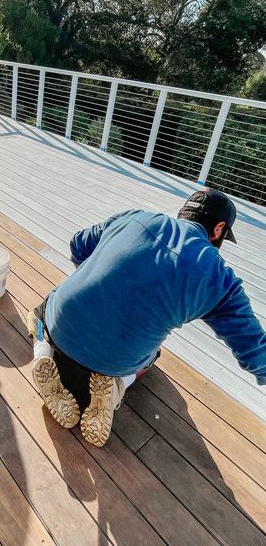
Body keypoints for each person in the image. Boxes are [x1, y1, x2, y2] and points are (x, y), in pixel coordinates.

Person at [28, 189, 266, 447]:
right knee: (152, 355)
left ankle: (43, 353)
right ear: (218, 229)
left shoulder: (134, 218)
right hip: (116, 358)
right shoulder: (220, 279)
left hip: (61, 323)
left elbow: (77, 245)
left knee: (39, 314)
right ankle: (115, 386)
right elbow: (255, 352)